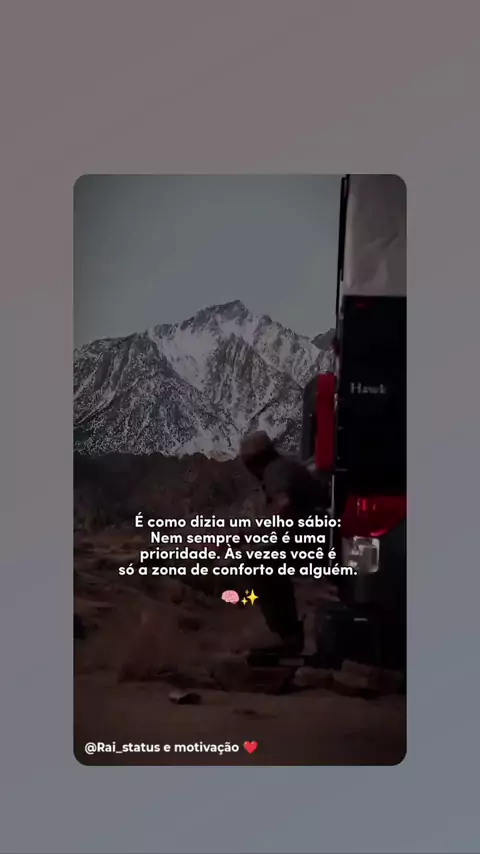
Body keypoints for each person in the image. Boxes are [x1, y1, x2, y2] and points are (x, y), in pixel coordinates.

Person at [239, 431, 331, 660]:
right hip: (317, 538)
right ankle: (287, 632)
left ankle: (286, 635)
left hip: (312, 542)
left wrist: (257, 535)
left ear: (253, 463)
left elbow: (283, 505)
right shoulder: (284, 466)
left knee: (259, 563)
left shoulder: (275, 471)